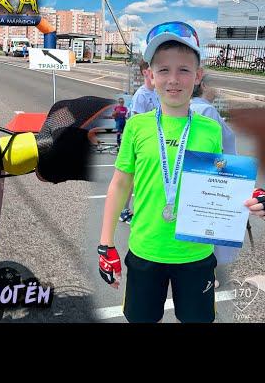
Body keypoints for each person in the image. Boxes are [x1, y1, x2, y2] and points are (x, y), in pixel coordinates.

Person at [97, 21, 263, 323]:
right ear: (150, 76)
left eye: (184, 70)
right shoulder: (137, 126)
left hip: (196, 255)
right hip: (146, 250)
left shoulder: (211, 129)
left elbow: (223, 182)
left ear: (198, 76)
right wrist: (105, 244)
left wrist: (253, 197)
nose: (173, 79)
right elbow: (120, 185)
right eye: (163, 70)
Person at [190, 75, 239, 280]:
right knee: (212, 223)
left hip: (195, 172)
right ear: (203, 85)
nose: (218, 91)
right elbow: (215, 147)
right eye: (216, 86)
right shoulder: (207, 110)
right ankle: (207, 271)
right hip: (216, 174)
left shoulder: (191, 107)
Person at [119, 60, 161, 223]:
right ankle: (123, 210)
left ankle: (144, 210)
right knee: (131, 179)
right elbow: (137, 123)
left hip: (153, 140)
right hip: (139, 142)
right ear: (145, 73)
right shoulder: (141, 95)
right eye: (153, 69)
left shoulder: (156, 93)